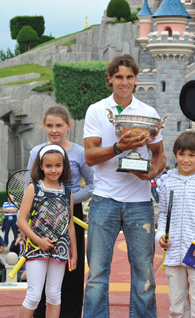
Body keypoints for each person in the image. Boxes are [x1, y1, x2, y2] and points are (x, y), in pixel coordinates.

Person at [83, 54, 166, 318]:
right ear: (109, 79)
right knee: (96, 273)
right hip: (104, 199)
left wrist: (152, 172)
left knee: (144, 273)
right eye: (119, 76)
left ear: (136, 79)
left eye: (129, 77)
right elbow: (90, 155)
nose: (124, 82)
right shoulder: (97, 110)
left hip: (140, 201)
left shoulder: (148, 113)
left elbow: (160, 153)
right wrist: (121, 147)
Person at [27, 104, 94, 318]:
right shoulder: (36, 152)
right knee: (40, 278)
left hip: (70, 215)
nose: (54, 130)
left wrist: (68, 201)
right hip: (41, 219)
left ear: (68, 126)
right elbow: (30, 185)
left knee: (71, 274)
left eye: (58, 125)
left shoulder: (79, 153)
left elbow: (92, 184)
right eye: (49, 125)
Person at [156, 131, 195, 317]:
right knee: (177, 306)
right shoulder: (167, 183)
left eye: (191, 155)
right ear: (175, 154)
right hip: (174, 252)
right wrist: (160, 236)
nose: (186, 160)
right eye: (182, 154)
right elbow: (161, 215)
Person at [17, 144, 77, 318]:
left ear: (64, 166)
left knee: (54, 294)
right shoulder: (33, 188)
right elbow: (21, 221)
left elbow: (70, 223)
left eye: (58, 165)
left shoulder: (68, 192)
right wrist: (39, 241)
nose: (53, 170)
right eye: (48, 166)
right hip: (36, 248)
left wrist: (74, 253)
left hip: (60, 249)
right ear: (41, 166)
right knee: (34, 295)